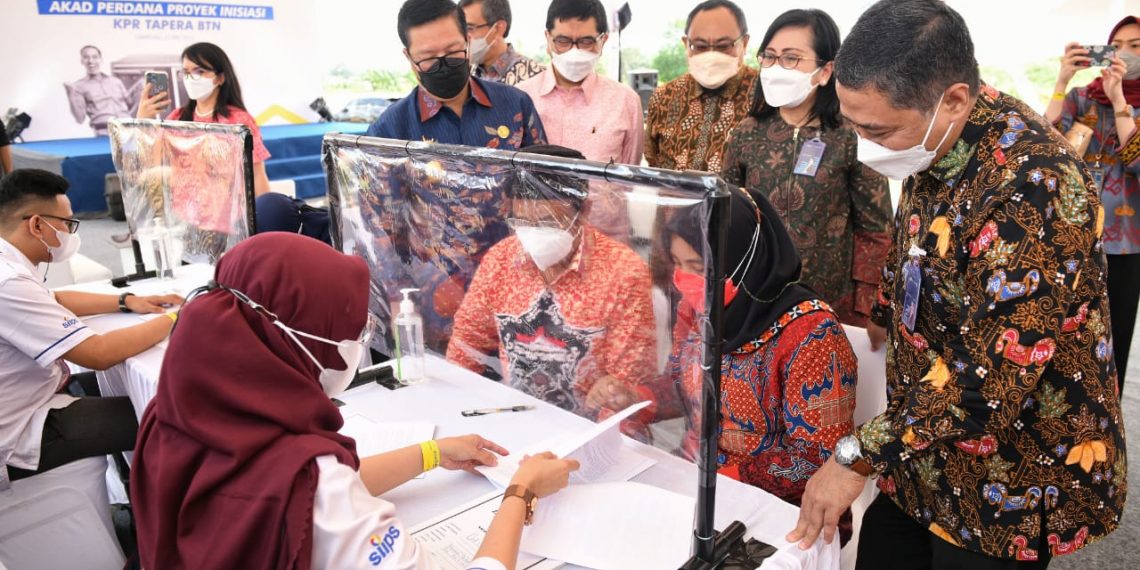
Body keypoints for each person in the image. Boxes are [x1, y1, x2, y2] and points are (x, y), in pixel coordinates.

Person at [789, 2, 1127, 568]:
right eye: (852, 124)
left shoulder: (1032, 186)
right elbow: (924, 243)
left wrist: (853, 456)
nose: (864, 144)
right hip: (922, 456)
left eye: (876, 129)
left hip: (1010, 480)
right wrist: (886, 307)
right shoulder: (934, 135)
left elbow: (989, 381)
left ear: (952, 99)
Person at [131, 232, 579, 569]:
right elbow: (320, 492)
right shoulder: (315, 478)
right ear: (297, 338)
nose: (358, 342)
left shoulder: (173, 415)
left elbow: (304, 492)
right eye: (347, 328)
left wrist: (432, 453)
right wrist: (522, 493)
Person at [590, 187, 858, 541]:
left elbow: (815, 458)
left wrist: (720, 478)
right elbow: (683, 385)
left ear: (743, 259)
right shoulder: (699, 308)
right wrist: (634, 397)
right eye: (678, 265)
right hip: (694, 482)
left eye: (699, 268)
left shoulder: (811, 333)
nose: (685, 280)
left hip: (780, 510)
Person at [447, 145, 656, 426]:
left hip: (592, 432)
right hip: (515, 420)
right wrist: (455, 416)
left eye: (548, 222)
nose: (535, 235)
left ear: (584, 210)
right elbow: (466, 346)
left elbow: (625, 388)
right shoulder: (502, 259)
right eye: (523, 221)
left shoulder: (623, 272)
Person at [0, 169, 181, 485]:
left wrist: (125, 301)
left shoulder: (8, 262)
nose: (71, 234)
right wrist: (176, 319)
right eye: (67, 224)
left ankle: (131, 487)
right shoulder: (9, 281)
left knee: (134, 388)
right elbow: (98, 354)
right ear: (37, 224)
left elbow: (52, 298)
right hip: (20, 430)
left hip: (32, 395)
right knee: (168, 419)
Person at [720, 9, 891, 329]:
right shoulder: (746, 133)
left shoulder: (851, 135)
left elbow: (875, 228)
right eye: (768, 57)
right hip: (754, 303)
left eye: (791, 58)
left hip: (829, 305)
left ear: (826, 70)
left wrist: (869, 306)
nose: (775, 67)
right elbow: (725, 217)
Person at [1045, 16, 1140, 394]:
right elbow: (1045, 149)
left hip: (1125, 244)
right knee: (1066, 330)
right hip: (1074, 235)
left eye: (1136, 45)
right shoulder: (1081, 98)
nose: (1126, 53)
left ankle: (1107, 417)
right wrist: (1061, 81)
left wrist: (1119, 101)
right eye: (1118, 44)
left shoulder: (1121, 101)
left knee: (1115, 334)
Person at [137, 42, 271, 198]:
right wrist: (144, 121)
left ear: (220, 78)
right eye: (186, 72)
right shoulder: (177, 118)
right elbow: (152, 163)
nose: (191, 78)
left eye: (199, 71)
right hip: (183, 211)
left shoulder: (238, 121)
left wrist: (265, 214)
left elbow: (256, 174)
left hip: (224, 211)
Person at [644, 0, 757, 173]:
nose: (711, 55)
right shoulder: (663, 97)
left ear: (745, 43)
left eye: (723, 46)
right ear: (685, 43)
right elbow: (652, 161)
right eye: (700, 46)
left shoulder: (765, 96)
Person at [461, 0, 545, 86]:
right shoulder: (468, 74)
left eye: (469, 28)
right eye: (460, 29)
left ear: (498, 29)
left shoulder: (531, 75)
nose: (462, 37)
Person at [64, 45, 132, 136]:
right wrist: (70, 94)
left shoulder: (116, 81)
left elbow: (130, 105)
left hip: (129, 130)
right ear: (81, 61)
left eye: (94, 57)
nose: (91, 61)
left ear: (101, 59)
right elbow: (79, 119)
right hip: (104, 132)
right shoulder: (78, 86)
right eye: (86, 57)